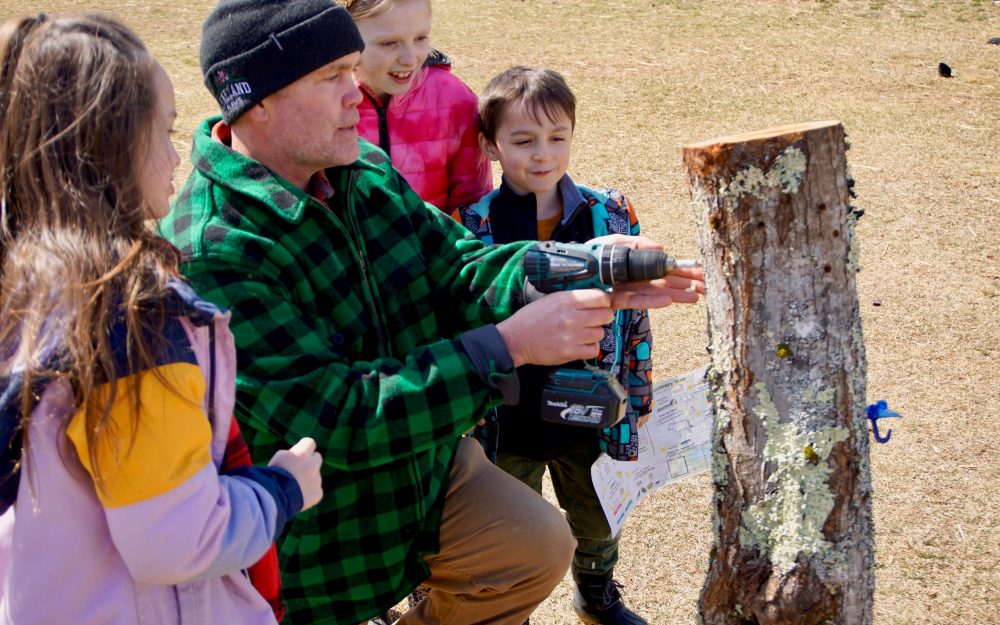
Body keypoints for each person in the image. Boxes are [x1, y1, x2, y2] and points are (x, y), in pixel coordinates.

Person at [160, 1, 704, 623]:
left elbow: (458, 265)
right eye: (331, 76)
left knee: (533, 546)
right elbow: (340, 418)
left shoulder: (359, 166)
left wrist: (585, 266)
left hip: (422, 467)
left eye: (351, 69)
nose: (354, 92)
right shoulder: (213, 250)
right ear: (257, 101)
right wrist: (507, 348)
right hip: (318, 533)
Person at [0, 11, 324, 625]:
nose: (179, 156)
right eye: (166, 131)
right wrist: (284, 487)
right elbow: (179, 541)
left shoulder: (25, 282)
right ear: (111, 147)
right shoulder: (134, 323)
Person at [453, 66, 655, 625]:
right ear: (490, 145)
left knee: (596, 517)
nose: (542, 154)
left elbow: (634, 314)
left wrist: (637, 394)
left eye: (556, 137)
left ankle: (596, 592)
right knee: (505, 527)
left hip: (592, 413)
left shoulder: (610, 214)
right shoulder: (470, 228)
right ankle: (495, 609)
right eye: (522, 140)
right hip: (506, 416)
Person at [342, 0, 492, 213]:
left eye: (420, 38)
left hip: (436, 244)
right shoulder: (328, 103)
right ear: (347, 36)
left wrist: (457, 243)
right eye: (389, 43)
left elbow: (474, 204)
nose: (410, 59)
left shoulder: (456, 101)